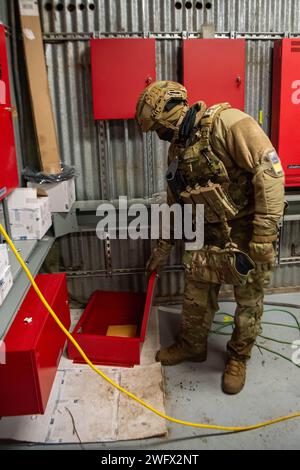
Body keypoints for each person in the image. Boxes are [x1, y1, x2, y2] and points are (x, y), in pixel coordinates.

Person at [136, 81, 285, 394]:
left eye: (158, 128)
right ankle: (192, 345)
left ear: (169, 112)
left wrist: (264, 233)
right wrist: (162, 249)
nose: (159, 136)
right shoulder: (176, 151)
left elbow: (269, 172)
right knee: (196, 292)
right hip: (206, 231)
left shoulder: (228, 124)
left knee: (248, 300)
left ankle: (238, 357)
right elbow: (174, 204)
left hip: (247, 228)